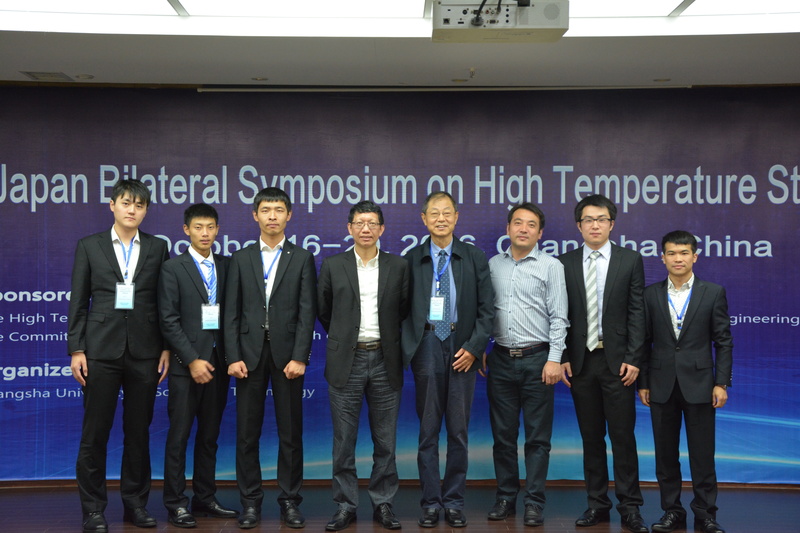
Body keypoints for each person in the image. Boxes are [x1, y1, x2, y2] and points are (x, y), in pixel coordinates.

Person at [67, 179, 170, 533]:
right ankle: (93, 510)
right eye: (126, 203)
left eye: (139, 205)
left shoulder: (158, 247)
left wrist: (166, 347)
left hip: (145, 352)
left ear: (145, 210)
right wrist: (77, 348)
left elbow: (164, 301)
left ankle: (135, 505)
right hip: (100, 351)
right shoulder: (89, 245)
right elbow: (79, 301)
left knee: (138, 433)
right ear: (112, 205)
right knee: (95, 434)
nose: (132, 210)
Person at [224, 187, 317, 530]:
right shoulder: (241, 258)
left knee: (290, 434)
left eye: (279, 210)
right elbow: (231, 313)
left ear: (289, 215)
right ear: (256, 215)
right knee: (247, 434)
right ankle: (250, 502)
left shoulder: (302, 258)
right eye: (266, 210)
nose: (273, 216)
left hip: (287, 358)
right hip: (247, 358)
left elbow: (307, 312)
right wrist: (233, 356)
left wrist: (300, 356)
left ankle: (290, 502)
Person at [401, 191, 495, 529]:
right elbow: (398, 309)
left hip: (462, 346)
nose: (441, 219)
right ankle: (430, 503)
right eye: (434, 213)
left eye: (447, 213)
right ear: (424, 219)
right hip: (427, 343)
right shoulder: (411, 259)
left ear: (456, 217)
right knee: (427, 431)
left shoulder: (473, 256)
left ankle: (454, 502)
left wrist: (474, 347)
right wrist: (410, 346)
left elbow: (487, 309)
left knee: (458, 431)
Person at [317, 201, 410, 531]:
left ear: (382, 228)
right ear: (349, 228)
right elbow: (324, 311)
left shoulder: (398, 266)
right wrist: (345, 339)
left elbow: (403, 309)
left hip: (385, 359)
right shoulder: (333, 265)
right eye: (359, 223)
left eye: (372, 223)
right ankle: (346, 505)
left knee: (385, 440)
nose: (365, 228)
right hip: (347, 360)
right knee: (344, 440)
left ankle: (383, 503)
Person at [558, 194, 649, 533]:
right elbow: (559, 314)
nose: (594, 225)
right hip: (581, 364)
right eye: (588, 220)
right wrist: (563, 357)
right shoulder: (564, 262)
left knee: (623, 437)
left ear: (611, 224)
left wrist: (634, 359)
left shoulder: (630, 260)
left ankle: (631, 507)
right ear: (578, 225)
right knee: (591, 438)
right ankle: (597, 503)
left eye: (601, 219)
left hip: (618, 364)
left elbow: (637, 312)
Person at [479, 203, 568, 527]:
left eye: (531, 225)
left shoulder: (551, 266)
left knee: (537, 439)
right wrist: (482, 346)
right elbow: (485, 311)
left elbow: (559, 317)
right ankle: (505, 497)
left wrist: (554, 359)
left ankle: (534, 502)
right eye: (518, 223)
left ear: (540, 233)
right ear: (508, 229)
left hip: (538, 361)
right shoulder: (493, 265)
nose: (524, 229)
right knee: (503, 437)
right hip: (501, 360)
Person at [638, 231, 732, 533]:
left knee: (703, 456)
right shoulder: (650, 295)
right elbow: (643, 342)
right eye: (671, 253)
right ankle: (672, 512)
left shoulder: (713, 292)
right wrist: (643, 382)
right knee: (665, 456)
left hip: (702, 385)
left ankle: (706, 514)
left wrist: (721, 383)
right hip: (661, 384)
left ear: (695, 256)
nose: (677, 258)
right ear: (662, 257)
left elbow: (723, 341)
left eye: (683, 253)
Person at [158, 203, 238, 528]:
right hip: (186, 366)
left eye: (210, 227)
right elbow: (168, 319)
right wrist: (191, 360)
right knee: (178, 437)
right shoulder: (172, 268)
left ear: (217, 230)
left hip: (218, 364)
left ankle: (205, 498)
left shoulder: (228, 266)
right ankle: (176, 503)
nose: (205, 233)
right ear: (186, 230)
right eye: (198, 227)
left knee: (209, 436)